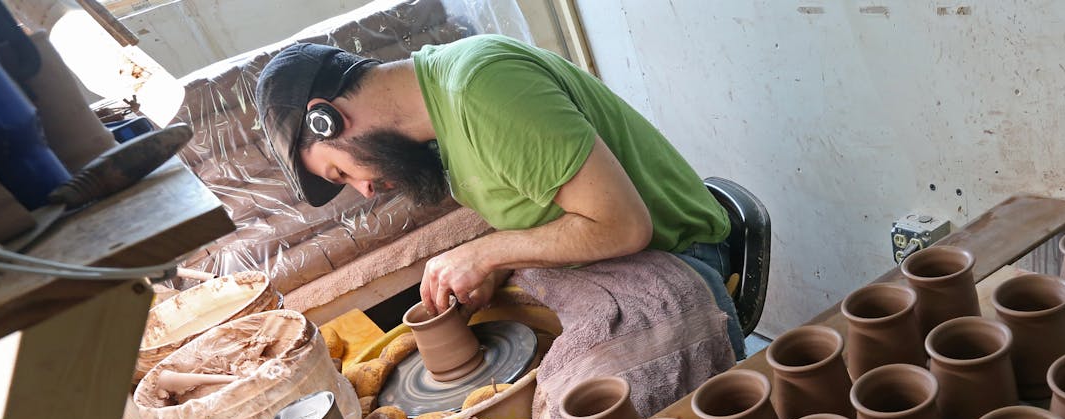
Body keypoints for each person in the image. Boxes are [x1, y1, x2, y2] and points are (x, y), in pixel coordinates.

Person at [256, 34, 745, 357]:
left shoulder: (480, 89)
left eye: (340, 171)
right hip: (609, 266)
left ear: (329, 117)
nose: (364, 190)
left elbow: (623, 225)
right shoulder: (439, 125)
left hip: (680, 258)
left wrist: (484, 252)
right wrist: (492, 269)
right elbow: (543, 207)